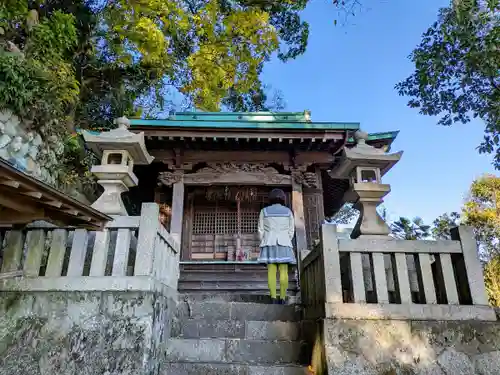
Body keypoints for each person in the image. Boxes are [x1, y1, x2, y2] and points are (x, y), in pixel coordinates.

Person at [257, 188, 296, 304]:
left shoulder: (264, 211)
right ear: (283, 198)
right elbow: (291, 230)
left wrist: (264, 240)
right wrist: (286, 238)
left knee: (271, 271)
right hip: (284, 243)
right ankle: (283, 297)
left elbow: (260, 230)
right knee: (284, 271)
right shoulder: (288, 212)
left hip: (269, 242)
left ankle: (273, 297)